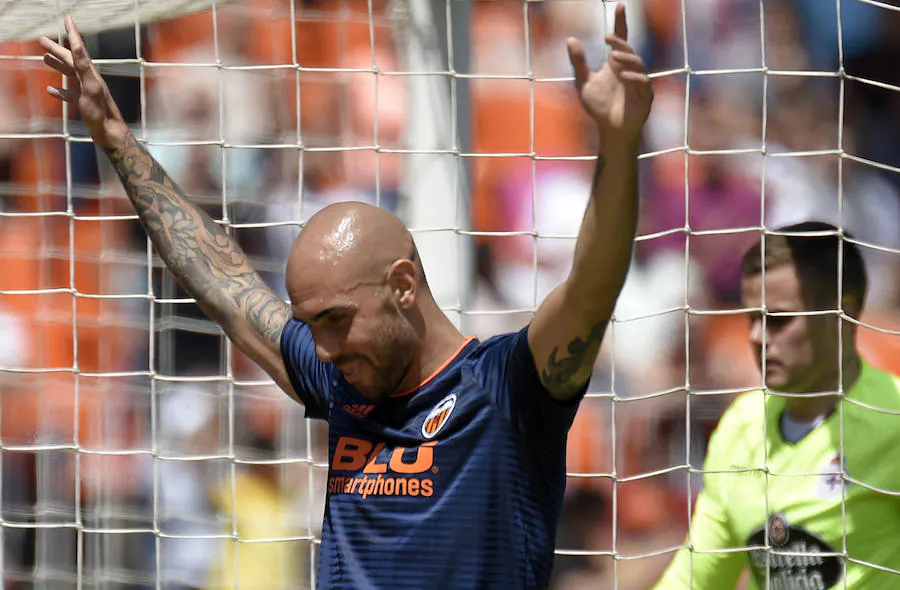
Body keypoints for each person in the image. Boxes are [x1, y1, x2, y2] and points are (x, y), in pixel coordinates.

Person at [39, 6, 652, 588]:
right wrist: (114, 132)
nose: (321, 348)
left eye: (335, 320)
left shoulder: (505, 388)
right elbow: (223, 281)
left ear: (403, 285)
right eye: (311, 323)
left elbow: (591, 287)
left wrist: (619, 146)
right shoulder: (342, 381)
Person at [655, 221, 900, 589]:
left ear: (842, 318)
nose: (756, 336)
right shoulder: (741, 425)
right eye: (753, 318)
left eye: (778, 320)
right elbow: (694, 581)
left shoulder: (893, 420)